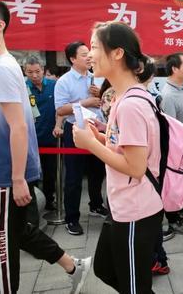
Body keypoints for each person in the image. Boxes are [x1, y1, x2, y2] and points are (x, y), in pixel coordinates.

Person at [0, 0, 90, 294]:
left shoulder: (0, 69)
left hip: (3, 174)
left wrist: (18, 179)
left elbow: (17, 126)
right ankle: (73, 265)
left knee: (0, 247)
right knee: (14, 232)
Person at [73, 21, 163, 294]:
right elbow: (125, 149)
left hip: (136, 210)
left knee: (133, 286)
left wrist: (91, 144)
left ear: (117, 53)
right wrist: (101, 138)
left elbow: (135, 167)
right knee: (105, 268)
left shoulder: (131, 104)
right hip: (123, 206)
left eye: (95, 47)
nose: (90, 54)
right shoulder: (125, 97)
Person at [54, 41, 108, 235]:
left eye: (90, 53)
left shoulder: (97, 78)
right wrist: (86, 102)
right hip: (75, 129)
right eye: (84, 54)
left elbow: (105, 104)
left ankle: (96, 204)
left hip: (98, 128)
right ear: (72, 58)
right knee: (74, 177)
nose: (89, 57)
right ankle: (71, 218)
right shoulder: (64, 81)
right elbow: (60, 109)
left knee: (98, 171)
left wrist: (101, 96)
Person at [160, 52, 183, 240]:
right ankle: (173, 219)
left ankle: (180, 208)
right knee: (174, 183)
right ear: (174, 69)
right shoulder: (168, 95)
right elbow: (172, 129)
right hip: (178, 149)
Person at [24, 55, 60, 211]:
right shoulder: (22, 88)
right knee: (31, 173)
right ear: (25, 72)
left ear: (43, 70)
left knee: (50, 172)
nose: (34, 75)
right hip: (29, 138)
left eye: (37, 71)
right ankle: (31, 203)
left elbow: (61, 108)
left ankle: (49, 200)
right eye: (30, 72)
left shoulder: (54, 85)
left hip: (50, 137)